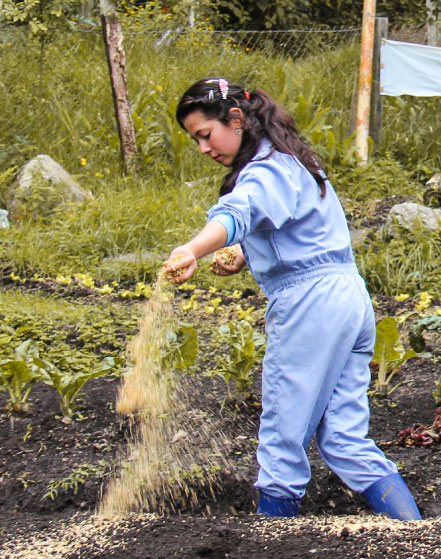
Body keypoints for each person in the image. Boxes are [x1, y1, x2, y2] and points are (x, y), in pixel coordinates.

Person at [163, 76, 421, 521]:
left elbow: (239, 210)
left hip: (311, 306)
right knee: (343, 438)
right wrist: (243, 253)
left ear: (237, 119)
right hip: (349, 298)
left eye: (205, 135)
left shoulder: (264, 169)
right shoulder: (292, 160)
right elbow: (290, 222)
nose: (204, 148)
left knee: (284, 435)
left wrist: (192, 248)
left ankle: (268, 555)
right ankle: (419, 537)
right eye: (196, 140)